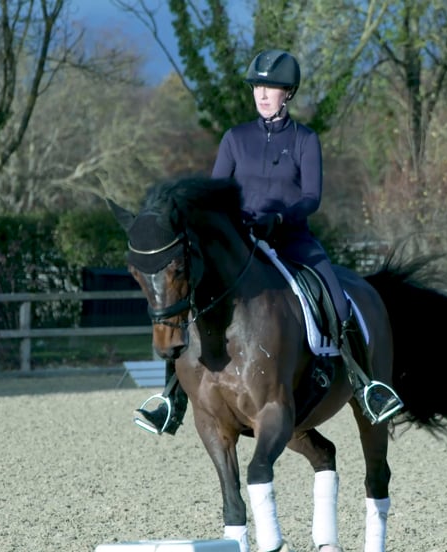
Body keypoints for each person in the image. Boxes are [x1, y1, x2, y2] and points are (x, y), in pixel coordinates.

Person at [134, 49, 403, 435]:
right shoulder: (235, 138)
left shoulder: (305, 140)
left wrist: (279, 217)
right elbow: (214, 193)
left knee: (339, 301)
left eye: (272, 87)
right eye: (258, 86)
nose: (262, 94)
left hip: (292, 238)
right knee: (187, 301)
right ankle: (171, 397)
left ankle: (365, 385)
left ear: (288, 93)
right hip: (241, 243)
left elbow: (312, 197)